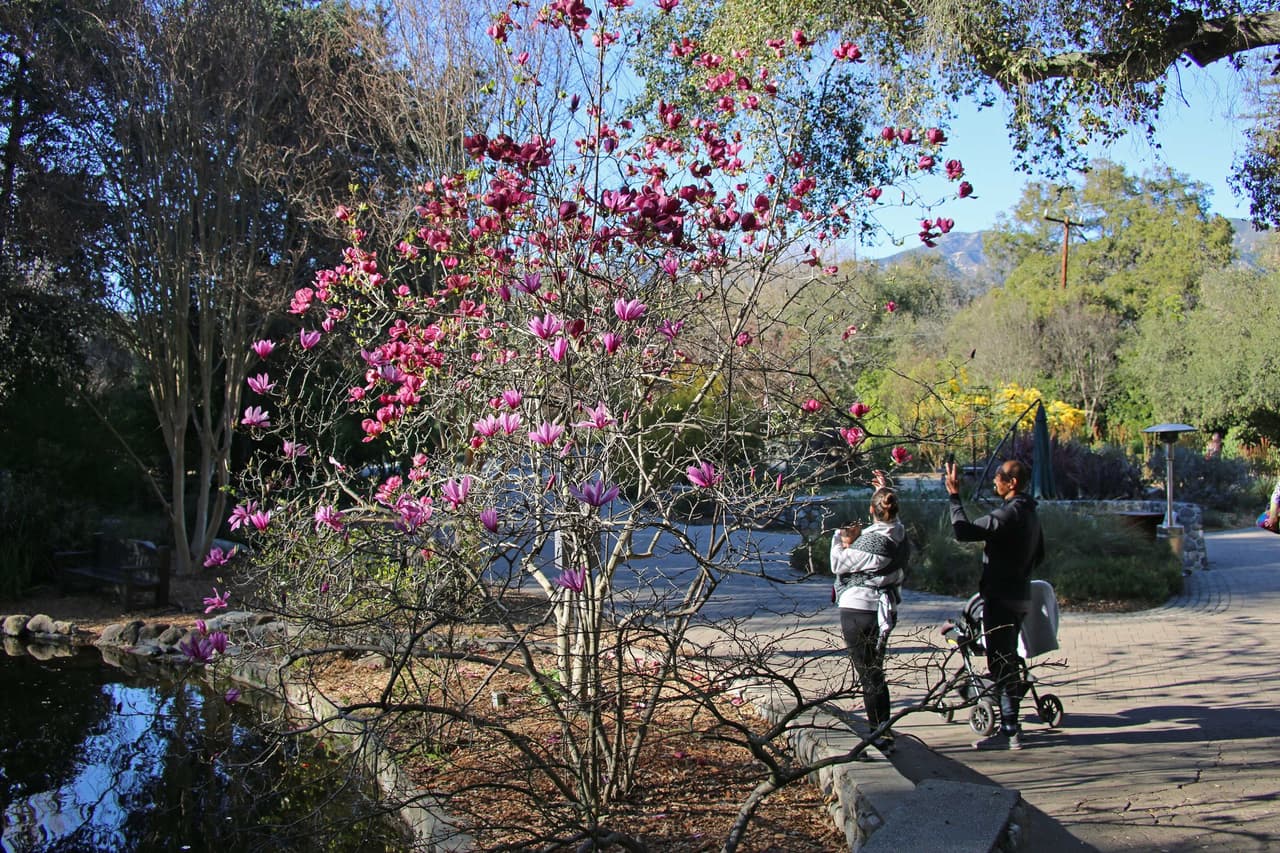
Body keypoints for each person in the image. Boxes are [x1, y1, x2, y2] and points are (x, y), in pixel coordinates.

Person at [943, 458, 1045, 751]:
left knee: (999, 662)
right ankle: (1010, 724)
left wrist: (953, 495)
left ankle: (1011, 728)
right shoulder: (1031, 514)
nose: (993, 481)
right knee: (1009, 658)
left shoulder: (1007, 515)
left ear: (1012, 482)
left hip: (1000, 597)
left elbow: (963, 531)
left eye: (998, 476)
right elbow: (1040, 555)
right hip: (1020, 595)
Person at [832, 470, 909, 752]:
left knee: (868, 675)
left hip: (858, 609)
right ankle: (884, 731)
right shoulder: (899, 533)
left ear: (870, 511)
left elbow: (839, 563)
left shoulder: (869, 542)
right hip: (884, 608)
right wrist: (884, 490)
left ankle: (879, 735)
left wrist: (840, 539)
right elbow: (888, 516)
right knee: (876, 671)